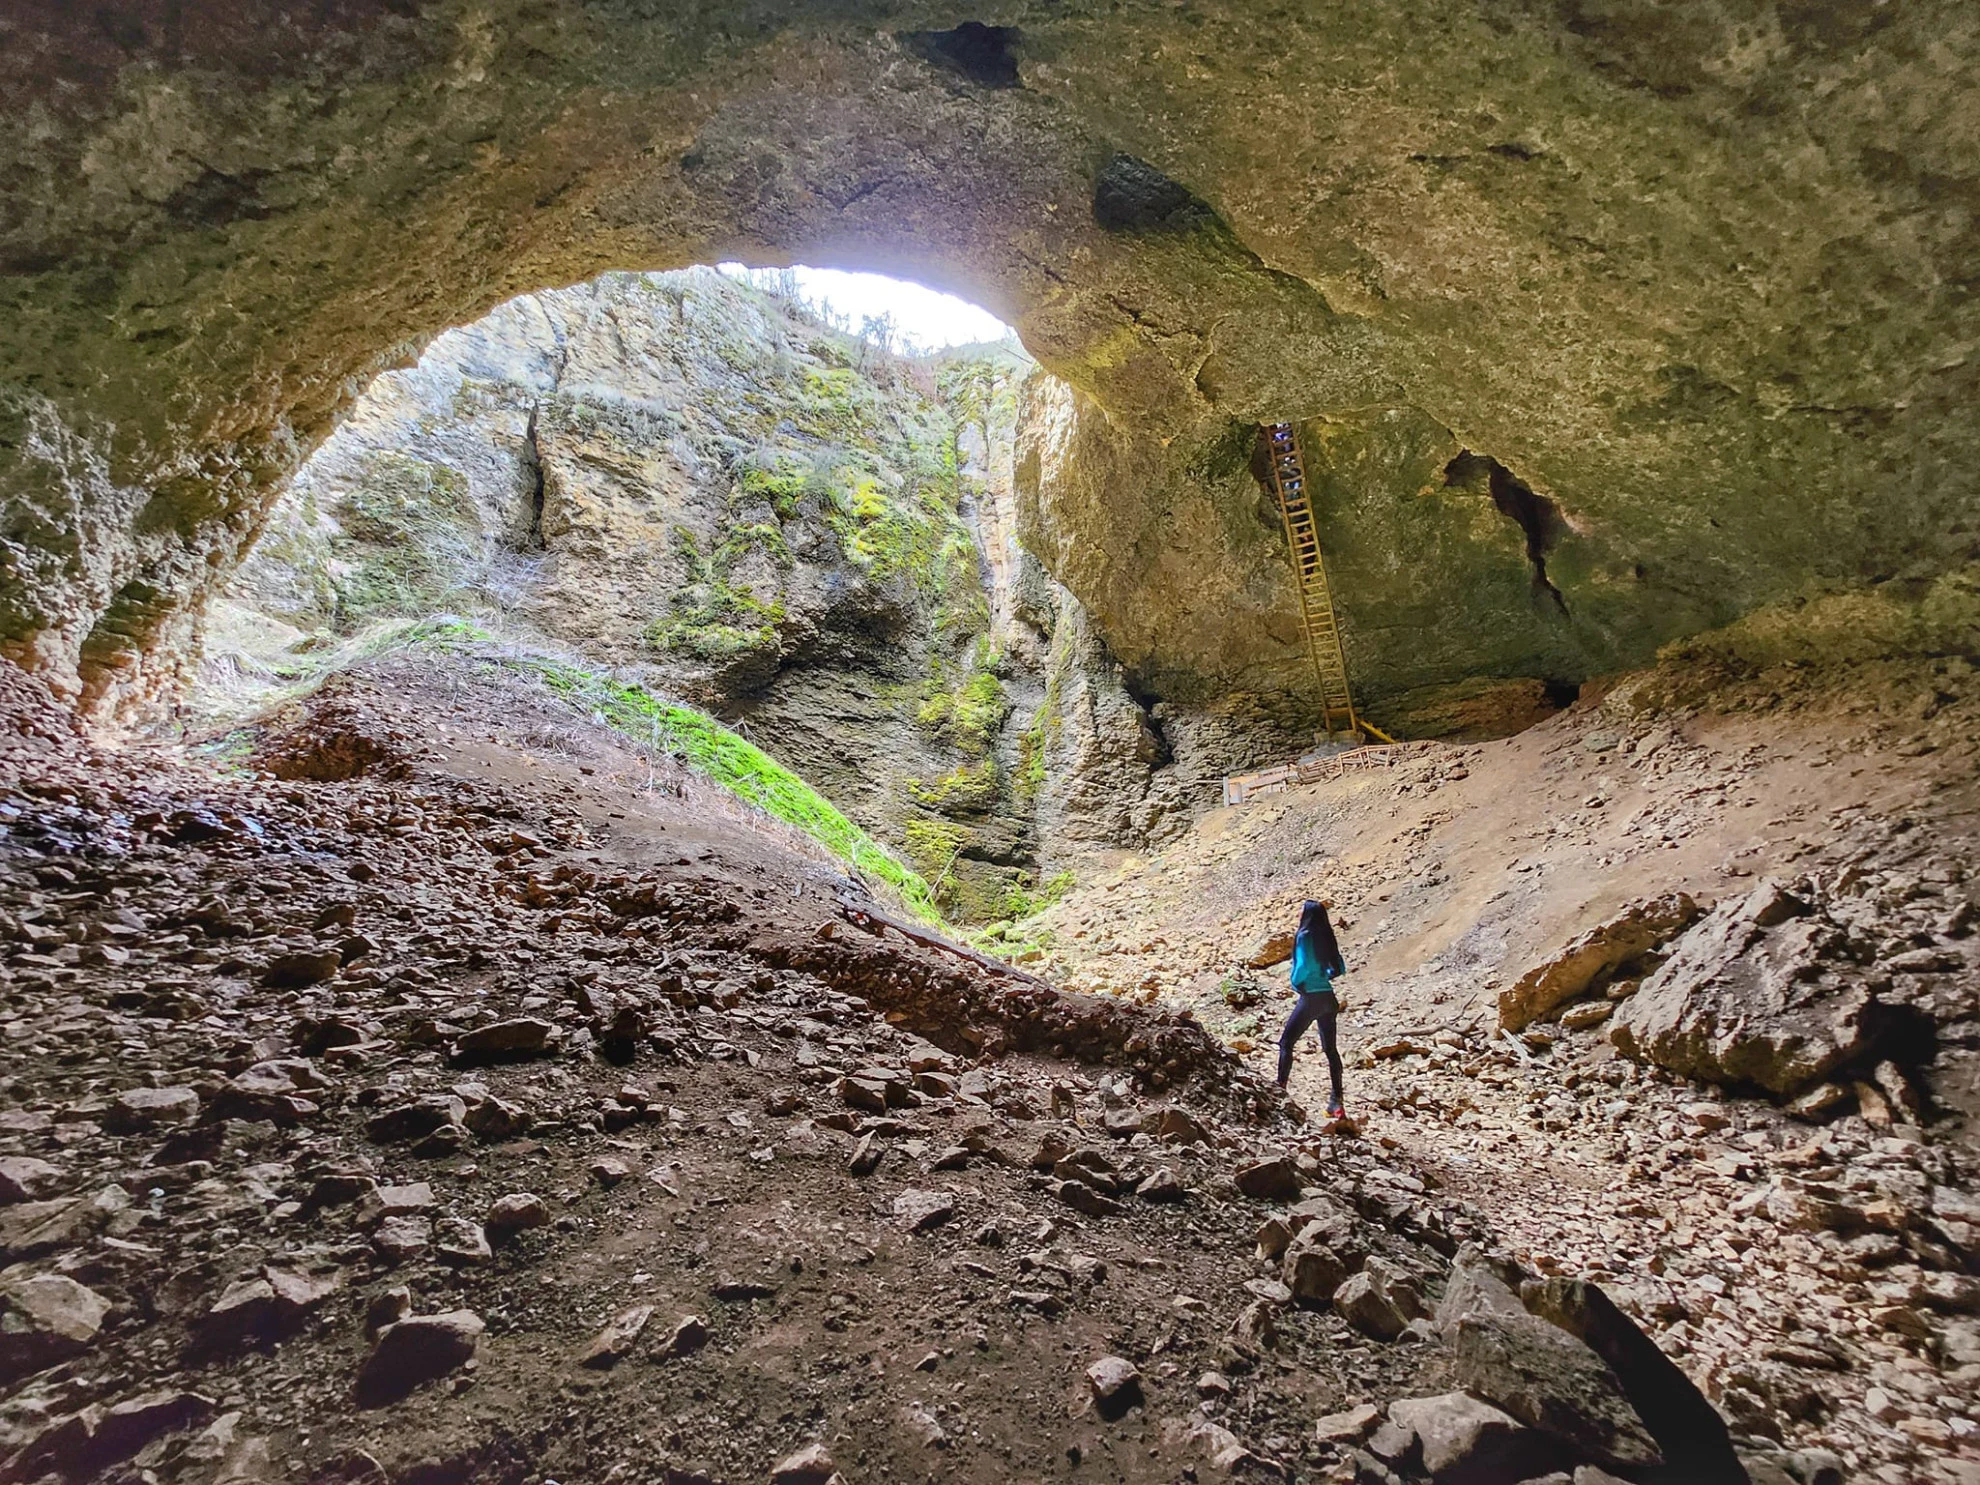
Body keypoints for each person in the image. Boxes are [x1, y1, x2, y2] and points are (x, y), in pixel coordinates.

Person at [1277, 897, 1348, 1119]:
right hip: (1328, 997)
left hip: (1311, 998)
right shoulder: (1326, 937)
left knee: (1286, 1042)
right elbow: (1339, 968)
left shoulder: (1304, 936)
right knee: (1330, 1050)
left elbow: (1302, 966)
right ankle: (1336, 1102)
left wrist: (1298, 983)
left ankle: (1279, 1090)